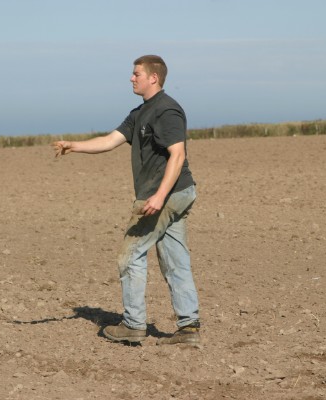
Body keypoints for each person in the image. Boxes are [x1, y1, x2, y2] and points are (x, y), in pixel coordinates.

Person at [53, 55, 200, 345]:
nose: (131, 78)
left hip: (167, 195)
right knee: (174, 260)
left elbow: (178, 154)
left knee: (130, 255)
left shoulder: (167, 110)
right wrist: (75, 146)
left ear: (153, 78)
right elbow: (110, 140)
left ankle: (133, 324)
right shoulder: (139, 113)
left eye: (136, 74)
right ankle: (189, 328)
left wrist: (158, 196)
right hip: (174, 194)